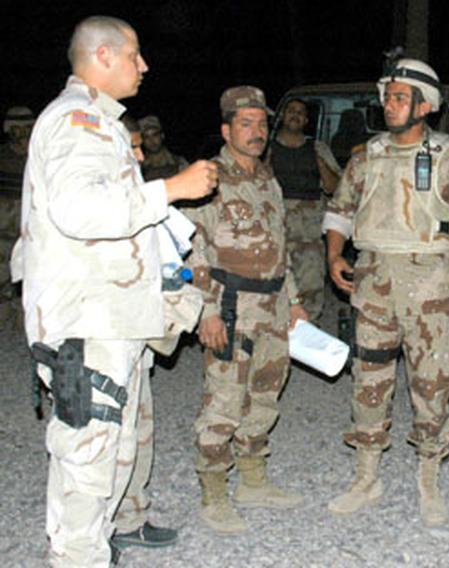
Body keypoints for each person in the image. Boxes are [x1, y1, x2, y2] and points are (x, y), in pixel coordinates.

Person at [12, 15, 216, 567]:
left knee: (113, 454)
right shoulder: (76, 122)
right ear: (103, 56)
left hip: (110, 317)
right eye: (135, 55)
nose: (144, 66)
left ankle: (95, 549)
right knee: (88, 459)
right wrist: (170, 189)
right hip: (87, 324)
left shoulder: (99, 124)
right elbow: (81, 211)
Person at [322, 57, 449, 527]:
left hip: (429, 284)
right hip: (373, 282)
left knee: (432, 382)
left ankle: (429, 476)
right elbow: (339, 211)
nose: (390, 103)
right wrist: (334, 255)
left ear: (424, 106)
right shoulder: (366, 157)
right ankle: (367, 476)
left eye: (401, 97)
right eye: (388, 95)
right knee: (369, 380)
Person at [187, 85, 309, 534]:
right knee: (224, 399)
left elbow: (280, 245)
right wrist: (206, 311)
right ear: (226, 129)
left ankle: (253, 479)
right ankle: (214, 490)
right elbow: (191, 248)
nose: (256, 132)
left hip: (274, 306)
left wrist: (294, 300)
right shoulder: (207, 178)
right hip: (231, 305)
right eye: (246, 124)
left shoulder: (267, 179)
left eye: (261, 124)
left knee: (265, 394)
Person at [107, 115, 181, 550]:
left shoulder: (133, 191)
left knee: (138, 428)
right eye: (131, 147)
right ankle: (95, 534)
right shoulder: (96, 197)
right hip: (104, 330)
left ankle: (131, 516)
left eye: (142, 145)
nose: (139, 154)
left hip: (137, 325)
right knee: (103, 439)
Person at [269, 98, 342, 323]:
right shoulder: (266, 149)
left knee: (310, 290)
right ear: (282, 116)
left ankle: (307, 341)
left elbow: (334, 187)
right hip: (273, 230)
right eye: (291, 111)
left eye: (300, 113)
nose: (295, 115)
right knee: (272, 287)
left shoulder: (318, 148)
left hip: (308, 234)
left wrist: (317, 161)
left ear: (306, 120)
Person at [0, 106, 34, 328]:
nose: (20, 133)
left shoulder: (38, 154)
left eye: (25, 128)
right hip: (3, 223)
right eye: (16, 129)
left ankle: (25, 316)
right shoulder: (2, 155)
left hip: (29, 223)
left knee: (29, 270)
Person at [138, 114, 188, 181]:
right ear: (142, 141)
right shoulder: (139, 167)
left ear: (162, 136)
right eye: (146, 137)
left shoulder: (179, 162)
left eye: (155, 135)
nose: (151, 140)